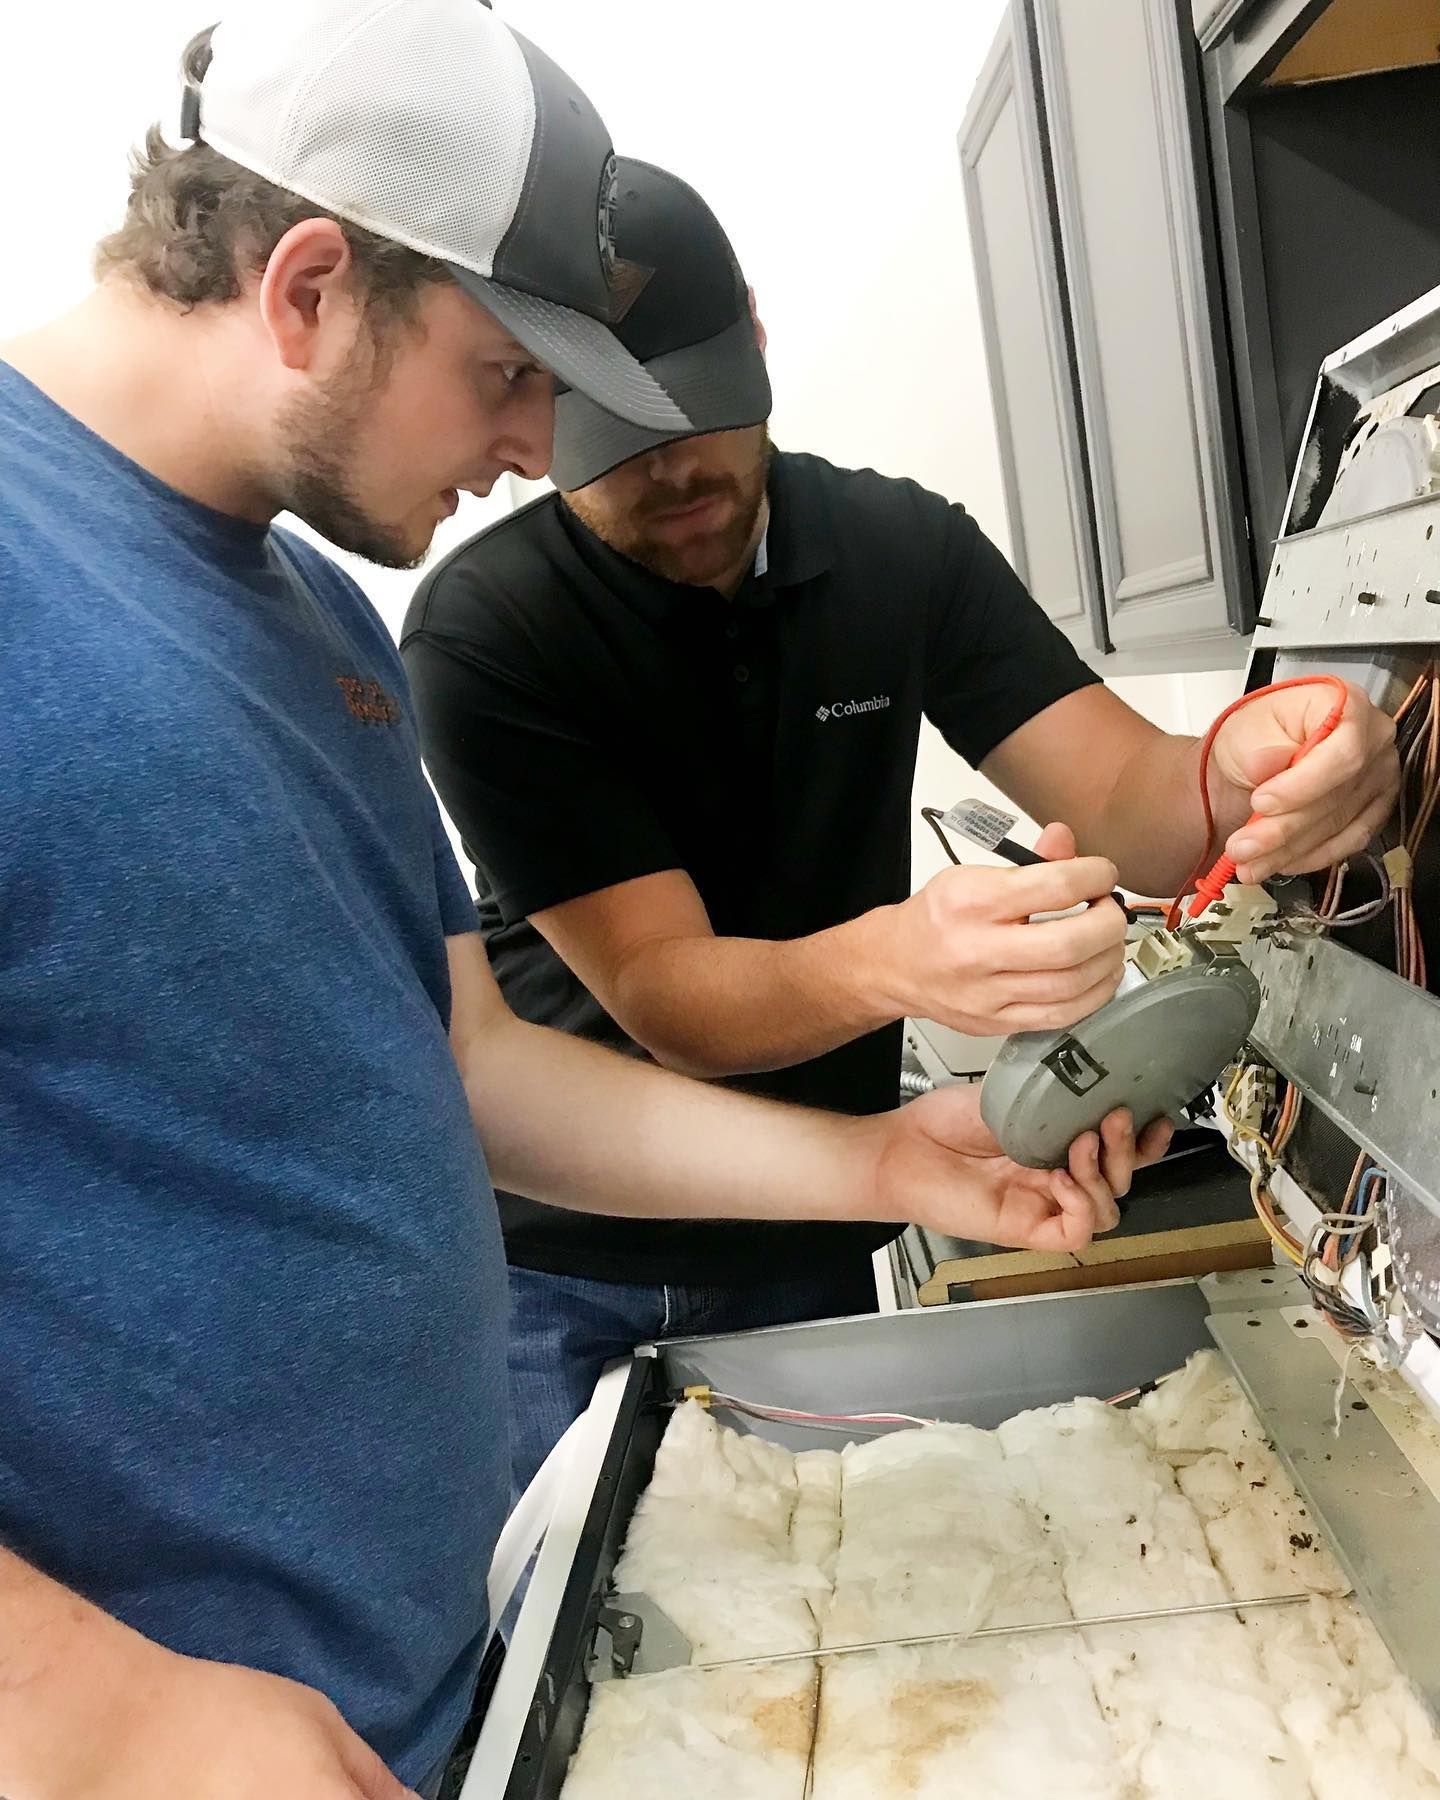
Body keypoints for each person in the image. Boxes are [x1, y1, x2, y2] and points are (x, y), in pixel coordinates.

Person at [0, 9, 1165, 1800]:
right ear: (311, 288)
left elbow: (469, 1063)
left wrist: (879, 1166)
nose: (546, 444)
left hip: (422, 1684)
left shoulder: (317, 628)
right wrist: (96, 1718)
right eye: (506, 374)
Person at [399, 158, 1400, 1503]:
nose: (671, 470)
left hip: (812, 1223)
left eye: (690, 411)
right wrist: (899, 959)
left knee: (824, 1604)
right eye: (611, 440)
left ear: (753, 340)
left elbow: (1135, 803)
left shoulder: (895, 548)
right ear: (528, 416)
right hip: (562, 1263)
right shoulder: (487, 632)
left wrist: (1262, 760)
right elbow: (668, 996)